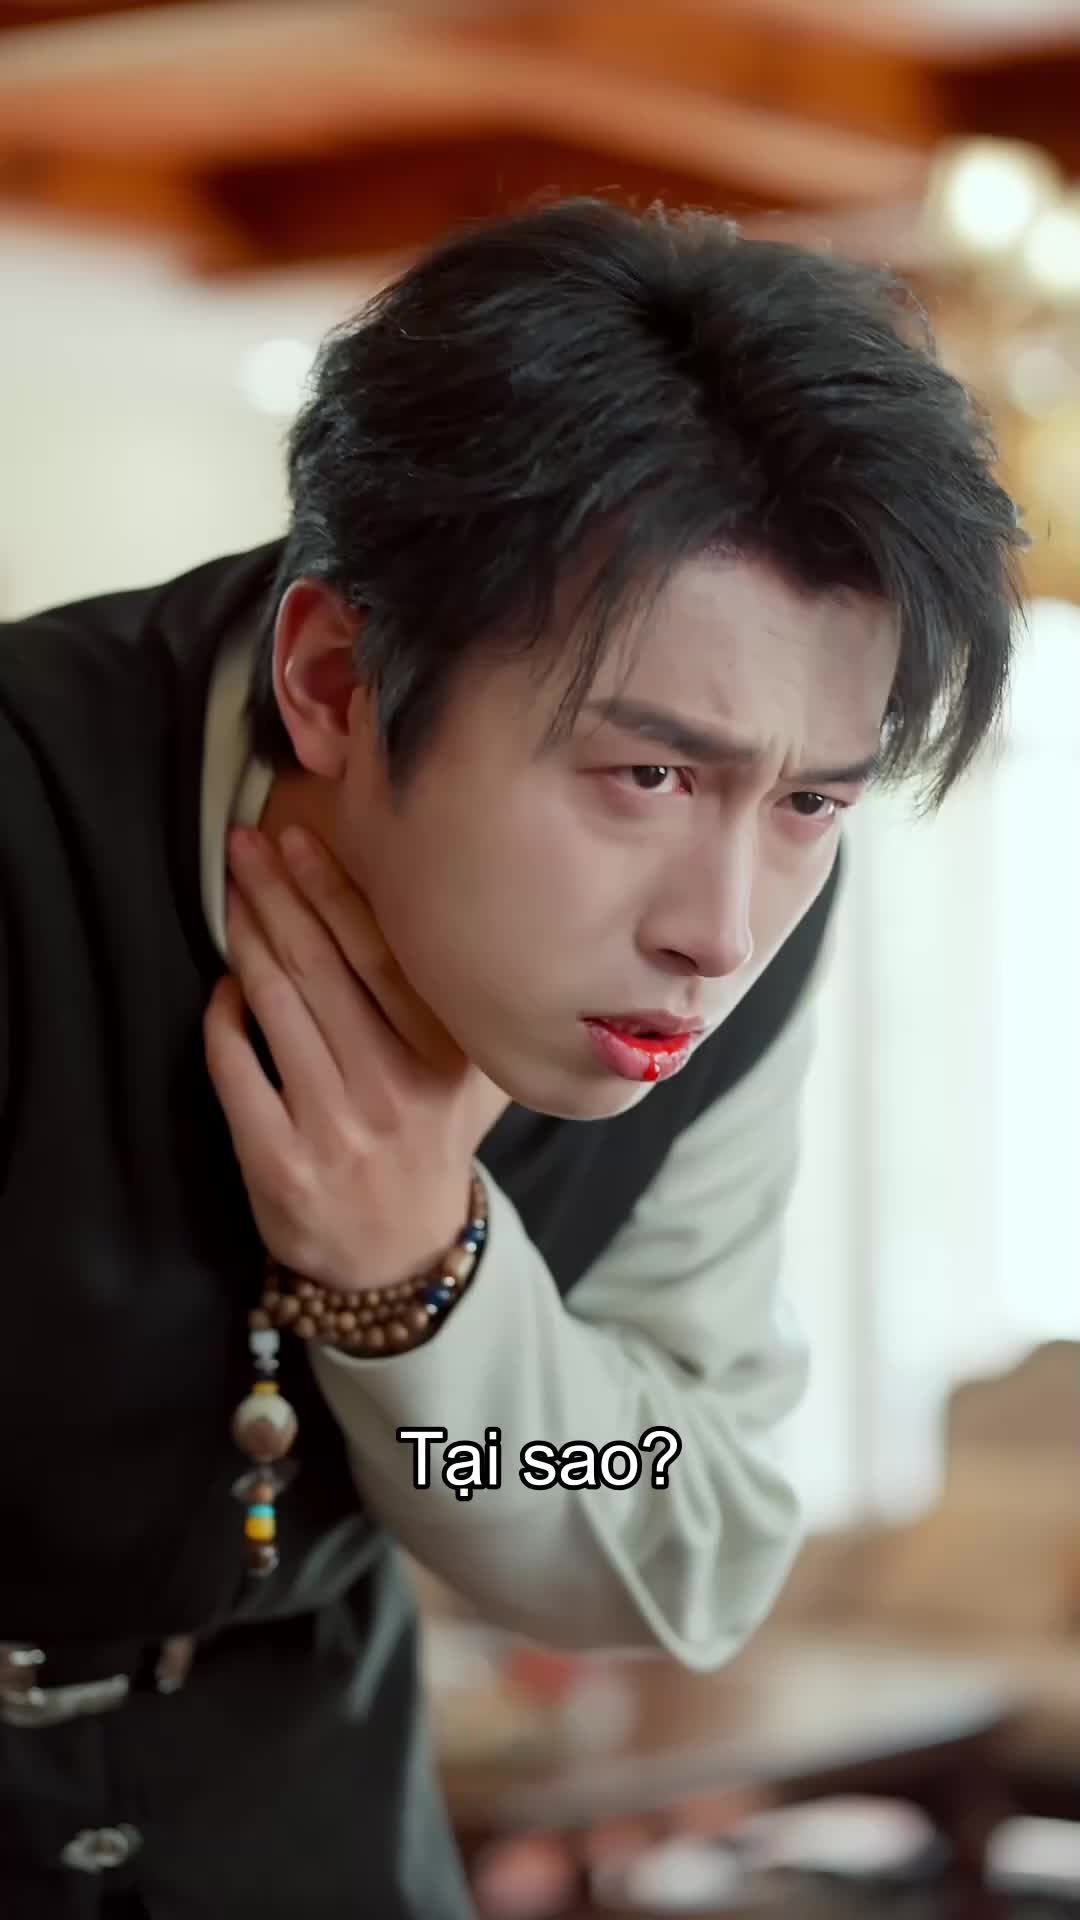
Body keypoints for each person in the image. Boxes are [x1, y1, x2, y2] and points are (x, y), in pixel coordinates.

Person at [0, 198, 1021, 1919]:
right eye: (647, 776)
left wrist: (423, 1287)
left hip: (301, 1797)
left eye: (811, 800)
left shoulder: (734, 937)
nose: (722, 929)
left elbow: (690, 1532)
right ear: (336, 680)